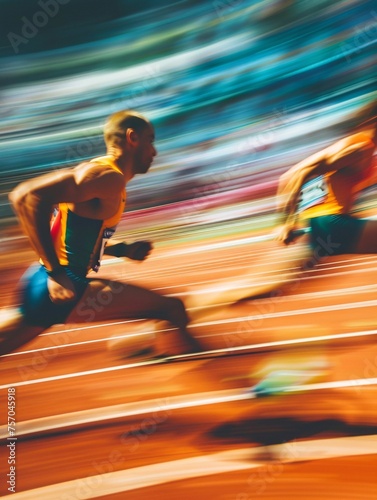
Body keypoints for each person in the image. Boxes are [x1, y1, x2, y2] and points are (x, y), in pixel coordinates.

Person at [0, 110, 200, 357]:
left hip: (43, 283)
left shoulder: (106, 176)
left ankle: (157, 354)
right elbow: (26, 196)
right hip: (63, 284)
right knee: (172, 309)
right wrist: (57, 273)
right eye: (151, 141)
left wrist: (122, 249)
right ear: (132, 138)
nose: (154, 151)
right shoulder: (108, 177)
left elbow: (73, 231)